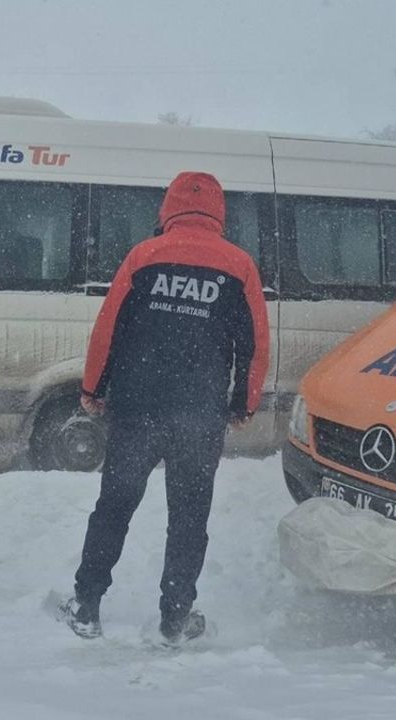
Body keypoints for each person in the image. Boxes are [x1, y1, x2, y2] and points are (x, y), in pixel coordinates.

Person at [59, 171, 270, 645]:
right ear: (219, 212)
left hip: (137, 410)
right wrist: (244, 403)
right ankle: (175, 617)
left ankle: (87, 604)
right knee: (190, 517)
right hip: (199, 416)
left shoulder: (143, 257)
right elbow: (255, 345)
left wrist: (94, 388)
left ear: (168, 207)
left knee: (113, 507)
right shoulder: (239, 265)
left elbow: (107, 330)